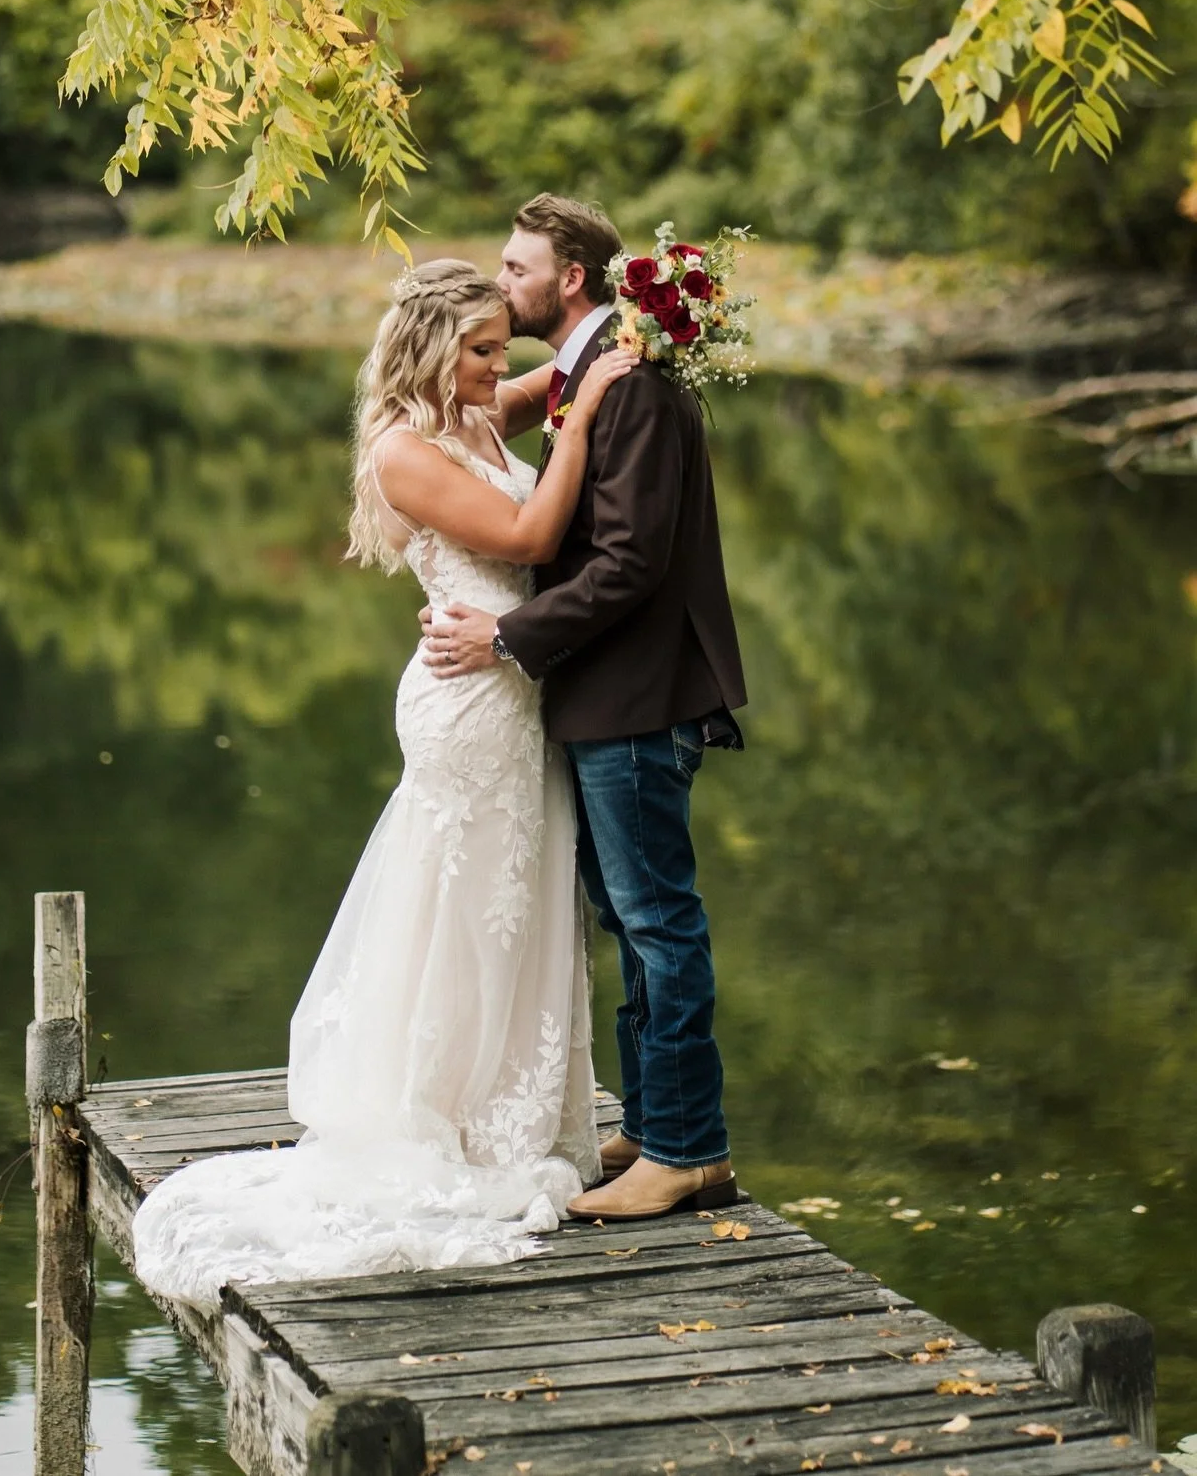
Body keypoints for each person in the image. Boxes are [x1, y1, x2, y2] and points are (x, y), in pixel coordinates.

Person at [130, 258, 637, 1302]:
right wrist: (584, 421)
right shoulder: (404, 448)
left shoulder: (473, 409)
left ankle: (511, 1114)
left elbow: (554, 377)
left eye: (502, 346)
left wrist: (627, 338)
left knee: (517, 898)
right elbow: (531, 535)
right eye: (482, 349)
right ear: (433, 348)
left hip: (515, 694)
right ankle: (443, 1119)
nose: (499, 366)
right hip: (467, 707)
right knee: (464, 902)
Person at [423, 194, 748, 1224]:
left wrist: (505, 635)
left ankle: (688, 1151)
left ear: (570, 277)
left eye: (515, 267)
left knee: (658, 919)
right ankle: (656, 1125)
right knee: (630, 914)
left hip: (638, 695)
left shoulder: (632, 382)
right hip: (607, 692)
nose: (501, 281)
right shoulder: (589, 369)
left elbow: (630, 562)